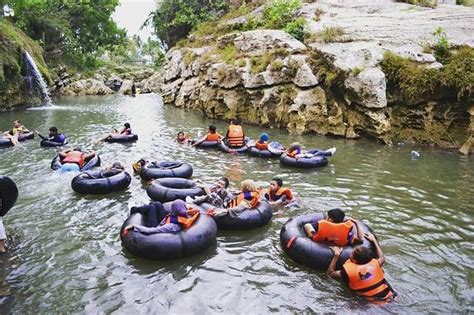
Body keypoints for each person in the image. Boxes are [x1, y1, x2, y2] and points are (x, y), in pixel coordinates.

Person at [327, 233, 397, 303]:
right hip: (391, 296)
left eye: (351, 253)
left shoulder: (347, 273)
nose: (350, 253)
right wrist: (374, 241)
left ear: (354, 260)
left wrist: (336, 256)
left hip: (373, 303)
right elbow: (382, 257)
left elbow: (330, 273)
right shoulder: (377, 264)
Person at [123, 200, 199, 235]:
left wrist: (133, 226)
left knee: (151, 208)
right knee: (157, 204)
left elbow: (151, 230)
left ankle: (134, 210)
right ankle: (148, 207)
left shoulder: (171, 226)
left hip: (157, 226)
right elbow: (195, 210)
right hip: (165, 221)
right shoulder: (185, 214)